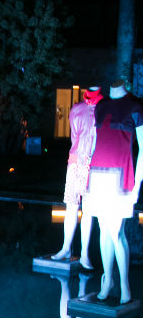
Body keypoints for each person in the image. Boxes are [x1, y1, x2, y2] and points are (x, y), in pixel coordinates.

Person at [83, 80, 143, 304]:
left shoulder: (136, 106)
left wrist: (137, 184)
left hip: (121, 176)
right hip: (98, 174)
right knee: (104, 231)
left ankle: (124, 284)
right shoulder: (101, 106)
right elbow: (95, 142)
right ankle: (107, 280)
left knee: (116, 232)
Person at [50, 87, 102, 269]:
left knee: (88, 209)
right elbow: (75, 136)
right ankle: (66, 248)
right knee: (71, 206)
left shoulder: (103, 107)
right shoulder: (77, 108)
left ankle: (85, 254)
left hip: (93, 164)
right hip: (75, 161)